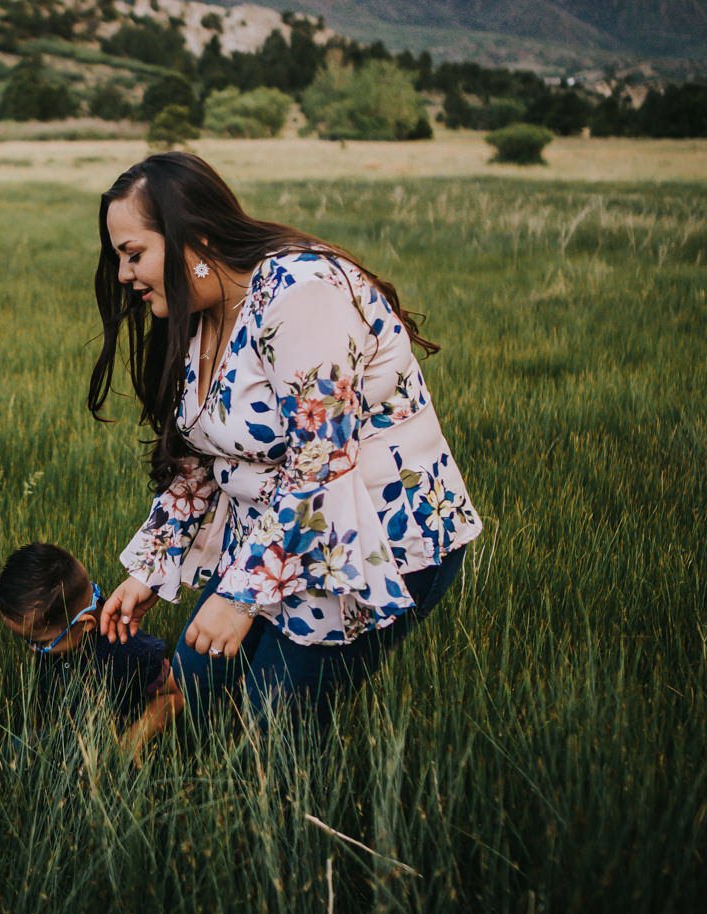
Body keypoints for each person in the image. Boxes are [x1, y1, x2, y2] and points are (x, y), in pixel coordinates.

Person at [89, 152, 482, 724]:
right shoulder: (203, 311)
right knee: (196, 683)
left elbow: (320, 462)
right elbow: (202, 456)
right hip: (278, 536)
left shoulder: (301, 294)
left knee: (273, 723)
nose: (125, 275)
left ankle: (297, 811)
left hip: (372, 539)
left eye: (134, 254)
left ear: (192, 239)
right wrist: (153, 565)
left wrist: (239, 597)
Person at [0, 543, 177, 749]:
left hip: (110, 739)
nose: (33, 649)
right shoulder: (43, 616)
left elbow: (173, 696)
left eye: (41, 643)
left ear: (84, 624)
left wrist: (133, 740)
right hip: (60, 734)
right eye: (28, 640)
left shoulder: (128, 650)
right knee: (13, 750)